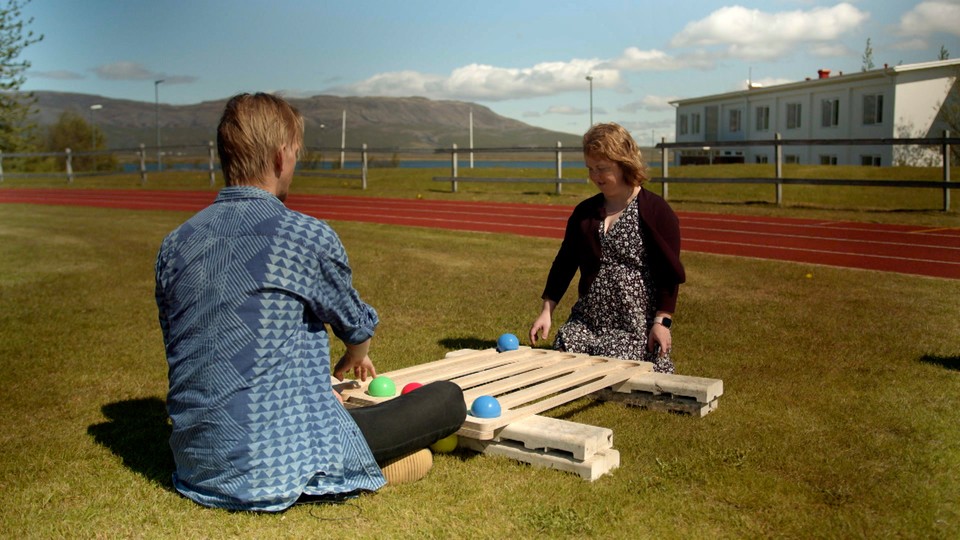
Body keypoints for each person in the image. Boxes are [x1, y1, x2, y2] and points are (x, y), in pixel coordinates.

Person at [155, 93, 466, 512]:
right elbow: (355, 326)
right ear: (280, 157)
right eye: (296, 154)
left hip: (196, 464)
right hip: (276, 461)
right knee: (447, 398)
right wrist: (356, 356)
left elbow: (188, 343)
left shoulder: (175, 245)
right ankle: (351, 471)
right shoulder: (303, 236)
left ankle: (350, 456)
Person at [529, 123, 685, 373]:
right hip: (588, 319)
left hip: (633, 324)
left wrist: (661, 322)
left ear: (624, 163)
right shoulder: (584, 212)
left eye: (602, 168)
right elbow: (564, 263)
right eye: (590, 168)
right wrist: (547, 311)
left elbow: (669, 273)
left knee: (615, 361)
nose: (595, 176)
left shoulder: (657, 211)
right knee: (566, 346)